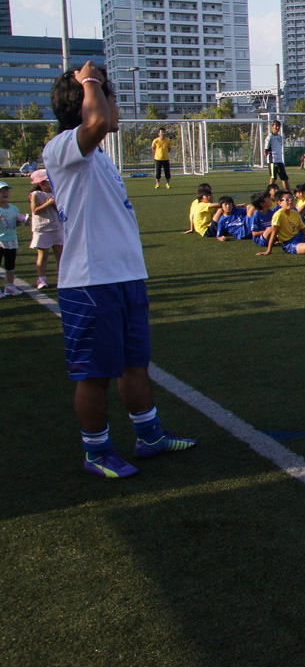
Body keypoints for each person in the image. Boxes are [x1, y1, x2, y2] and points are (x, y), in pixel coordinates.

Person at [44, 62, 195, 478]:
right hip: (91, 283)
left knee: (135, 365)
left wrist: (94, 89)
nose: (115, 105)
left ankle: (149, 436)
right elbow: (93, 121)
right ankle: (97, 452)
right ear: (89, 103)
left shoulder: (98, 155)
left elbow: (96, 123)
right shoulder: (63, 147)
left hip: (125, 277)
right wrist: (90, 79)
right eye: (110, 96)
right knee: (95, 376)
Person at [27, 169, 63, 290]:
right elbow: (35, 211)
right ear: (41, 183)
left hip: (57, 226)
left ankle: (62, 277)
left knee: (60, 253)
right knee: (43, 254)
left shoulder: (56, 193)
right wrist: (48, 204)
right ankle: (42, 279)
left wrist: (56, 204)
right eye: (48, 182)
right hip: (42, 228)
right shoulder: (36, 194)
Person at [0, 180, 26, 297]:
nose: (5, 193)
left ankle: (10, 286)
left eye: (6, 191)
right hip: (0, 241)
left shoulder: (14, 208)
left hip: (11, 240)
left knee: (10, 265)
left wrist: (21, 221)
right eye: (2, 191)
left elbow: (17, 224)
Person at [264, 120, 290, 193]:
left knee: (284, 178)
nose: (277, 127)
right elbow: (265, 150)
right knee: (273, 178)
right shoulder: (270, 137)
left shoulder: (280, 137)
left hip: (280, 160)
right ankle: (268, 193)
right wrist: (268, 160)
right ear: (272, 126)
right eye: (276, 126)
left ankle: (289, 193)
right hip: (272, 160)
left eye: (279, 126)